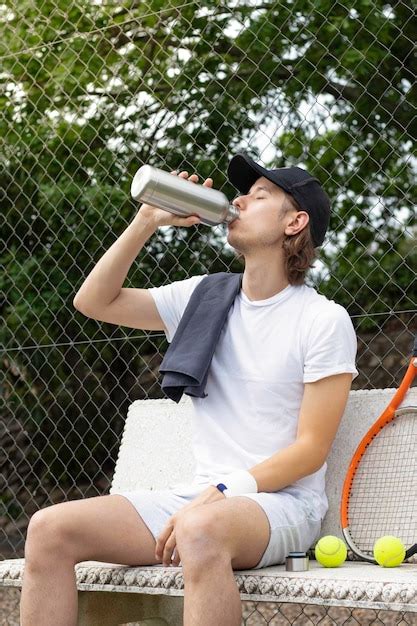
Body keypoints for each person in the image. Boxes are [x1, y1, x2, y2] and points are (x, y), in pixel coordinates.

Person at [20, 153, 358, 626]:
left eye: (259, 196)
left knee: (199, 531)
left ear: (295, 222)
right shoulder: (204, 297)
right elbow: (93, 301)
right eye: (243, 193)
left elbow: (310, 450)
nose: (238, 199)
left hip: (281, 505)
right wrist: (147, 221)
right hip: (201, 499)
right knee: (48, 529)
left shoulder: (322, 320)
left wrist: (223, 491)